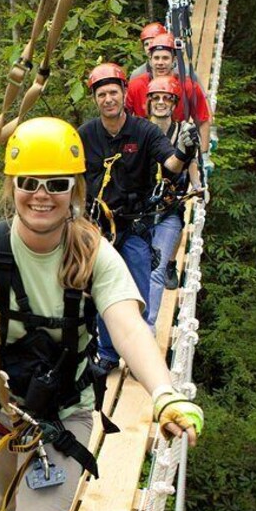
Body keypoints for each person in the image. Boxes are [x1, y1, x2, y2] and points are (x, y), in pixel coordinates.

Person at [0, 117, 203, 511]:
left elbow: (129, 328)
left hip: (62, 413)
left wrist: (163, 393)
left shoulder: (94, 255)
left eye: (57, 184)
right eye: (29, 182)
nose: (42, 195)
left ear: (76, 191)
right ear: (12, 188)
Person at [78, 63, 195, 370]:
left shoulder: (144, 132)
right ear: (95, 99)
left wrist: (184, 152)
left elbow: (170, 164)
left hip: (135, 225)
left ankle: (138, 355)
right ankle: (107, 353)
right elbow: (67, 171)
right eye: (102, 94)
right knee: (103, 291)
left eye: (113, 92)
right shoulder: (86, 135)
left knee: (138, 293)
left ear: (125, 94)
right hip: (100, 229)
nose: (108, 99)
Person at [145, 77, 202, 325]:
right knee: (135, 268)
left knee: (156, 270)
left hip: (169, 209)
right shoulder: (139, 130)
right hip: (140, 211)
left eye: (166, 98)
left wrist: (198, 185)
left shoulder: (184, 131)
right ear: (148, 103)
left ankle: (147, 327)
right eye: (155, 98)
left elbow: (191, 164)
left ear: (174, 102)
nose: (160, 102)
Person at [125, 32, 213, 169]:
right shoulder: (136, 86)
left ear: (174, 61)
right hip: (145, 147)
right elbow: (123, 120)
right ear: (150, 60)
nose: (160, 63)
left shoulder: (188, 87)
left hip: (178, 144)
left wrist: (204, 155)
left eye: (165, 58)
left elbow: (202, 121)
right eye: (157, 58)